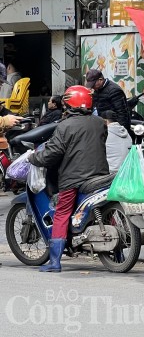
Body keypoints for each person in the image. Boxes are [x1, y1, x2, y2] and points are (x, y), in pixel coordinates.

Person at [29, 85, 109, 273]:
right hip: (100, 174)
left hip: (73, 178)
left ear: (69, 104)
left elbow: (52, 153)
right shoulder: (99, 122)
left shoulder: (64, 126)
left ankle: (54, 262)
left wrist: (34, 158)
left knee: (62, 213)